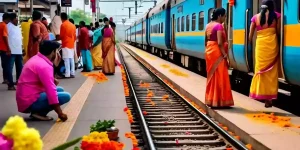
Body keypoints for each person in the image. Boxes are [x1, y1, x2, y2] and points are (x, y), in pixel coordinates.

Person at [16, 40, 70, 121]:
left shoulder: (37, 58)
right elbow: (50, 90)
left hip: (25, 98)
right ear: (52, 52)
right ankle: (39, 113)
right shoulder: (44, 66)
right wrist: (60, 113)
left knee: (60, 90)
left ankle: (37, 111)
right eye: (56, 51)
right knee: (66, 96)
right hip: (29, 101)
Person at [248, 0, 280, 108]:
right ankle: (269, 99)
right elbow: (279, 32)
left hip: (261, 46)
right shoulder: (277, 16)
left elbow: (250, 36)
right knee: (271, 73)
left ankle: (259, 93)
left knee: (260, 71)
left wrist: (254, 40)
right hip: (272, 45)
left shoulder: (255, 18)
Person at [204, 8, 233, 108]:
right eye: (224, 16)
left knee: (211, 76)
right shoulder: (219, 26)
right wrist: (225, 55)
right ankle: (220, 101)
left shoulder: (207, 25)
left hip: (209, 51)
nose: (225, 18)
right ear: (220, 16)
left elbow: (205, 41)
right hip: (217, 52)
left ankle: (211, 100)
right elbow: (220, 43)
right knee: (220, 76)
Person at [7, 13, 23, 90]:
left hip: (18, 50)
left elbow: (20, 38)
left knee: (20, 67)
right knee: (10, 67)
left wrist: (22, 48)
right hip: (12, 51)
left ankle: (19, 81)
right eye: (16, 18)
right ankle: (10, 83)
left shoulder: (17, 27)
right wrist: (8, 49)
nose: (17, 19)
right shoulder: (8, 27)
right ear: (12, 19)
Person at [60, 13, 76, 78]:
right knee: (71, 59)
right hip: (71, 44)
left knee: (66, 59)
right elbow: (75, 36)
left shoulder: (63, 25)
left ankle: (67, 74)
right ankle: (72, 73)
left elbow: (61, 35)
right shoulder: (73, 25)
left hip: (65, 43)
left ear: (61, 18)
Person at [0, 13, 10, 85]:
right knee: (6, 64)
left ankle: (5, 79)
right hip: (3, 48)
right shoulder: (4, 25)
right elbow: (5, 36)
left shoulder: (0, 24)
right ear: (7, 19)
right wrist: (8, 48)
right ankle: (6, 79)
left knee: (4, 64)